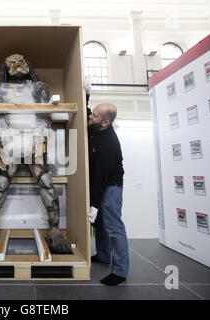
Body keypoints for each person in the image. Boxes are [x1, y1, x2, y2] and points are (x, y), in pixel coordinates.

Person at [85, 84, 129, 286]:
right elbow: (85, 112)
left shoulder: (108, 143)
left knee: (113, 226)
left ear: (105, 121)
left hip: (111, 187)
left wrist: (93, 204)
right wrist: (85, 95)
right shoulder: (96, 126)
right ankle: (103, 255)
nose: (89, 117)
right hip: (99, 182)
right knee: (100, 224)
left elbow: (102, 179)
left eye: (94, 115)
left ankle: (120, 272)